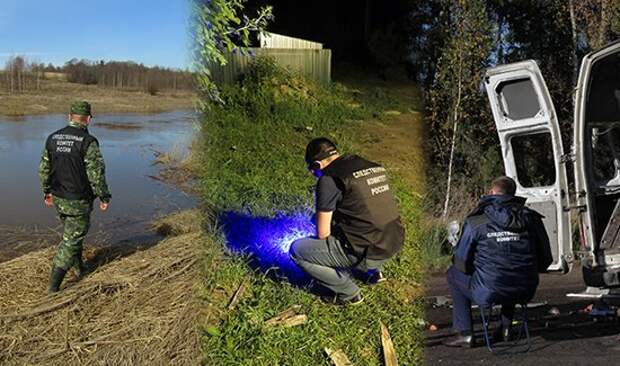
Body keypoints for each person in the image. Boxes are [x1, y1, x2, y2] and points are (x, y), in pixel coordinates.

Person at [290, 137, 405, 305]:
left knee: (297, 250)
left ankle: (349, 293)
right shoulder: (367, 165)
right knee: (364, 218)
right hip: (394, 240)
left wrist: (322, 241)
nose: (315, 176)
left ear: (317, 165)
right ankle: (373, 273)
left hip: (369, 251)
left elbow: (323, 234)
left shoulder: (329, 179)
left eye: (313, 171)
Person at [443, 176, 553, 347]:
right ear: (514, 193)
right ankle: (505, 327)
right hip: (525, 289)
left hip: (488, 290)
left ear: (492, 192)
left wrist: (475, 269)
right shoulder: (532, 218)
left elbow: (460, 260)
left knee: (453, 274)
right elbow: (546, 257)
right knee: (511, 273)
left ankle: (464, 333)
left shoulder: (476, 221)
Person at [39, 101, 111, 294]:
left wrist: (46, 191)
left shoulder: (52, 138)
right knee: (71, 240)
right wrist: (104, 196)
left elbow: (44, 169)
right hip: (78, 200)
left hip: (59, 197)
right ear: (88, 119)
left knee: (72, 234)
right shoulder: (88, 142)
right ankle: (53, 288)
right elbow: (96, 175)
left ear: (69, 117)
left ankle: (80, 268)